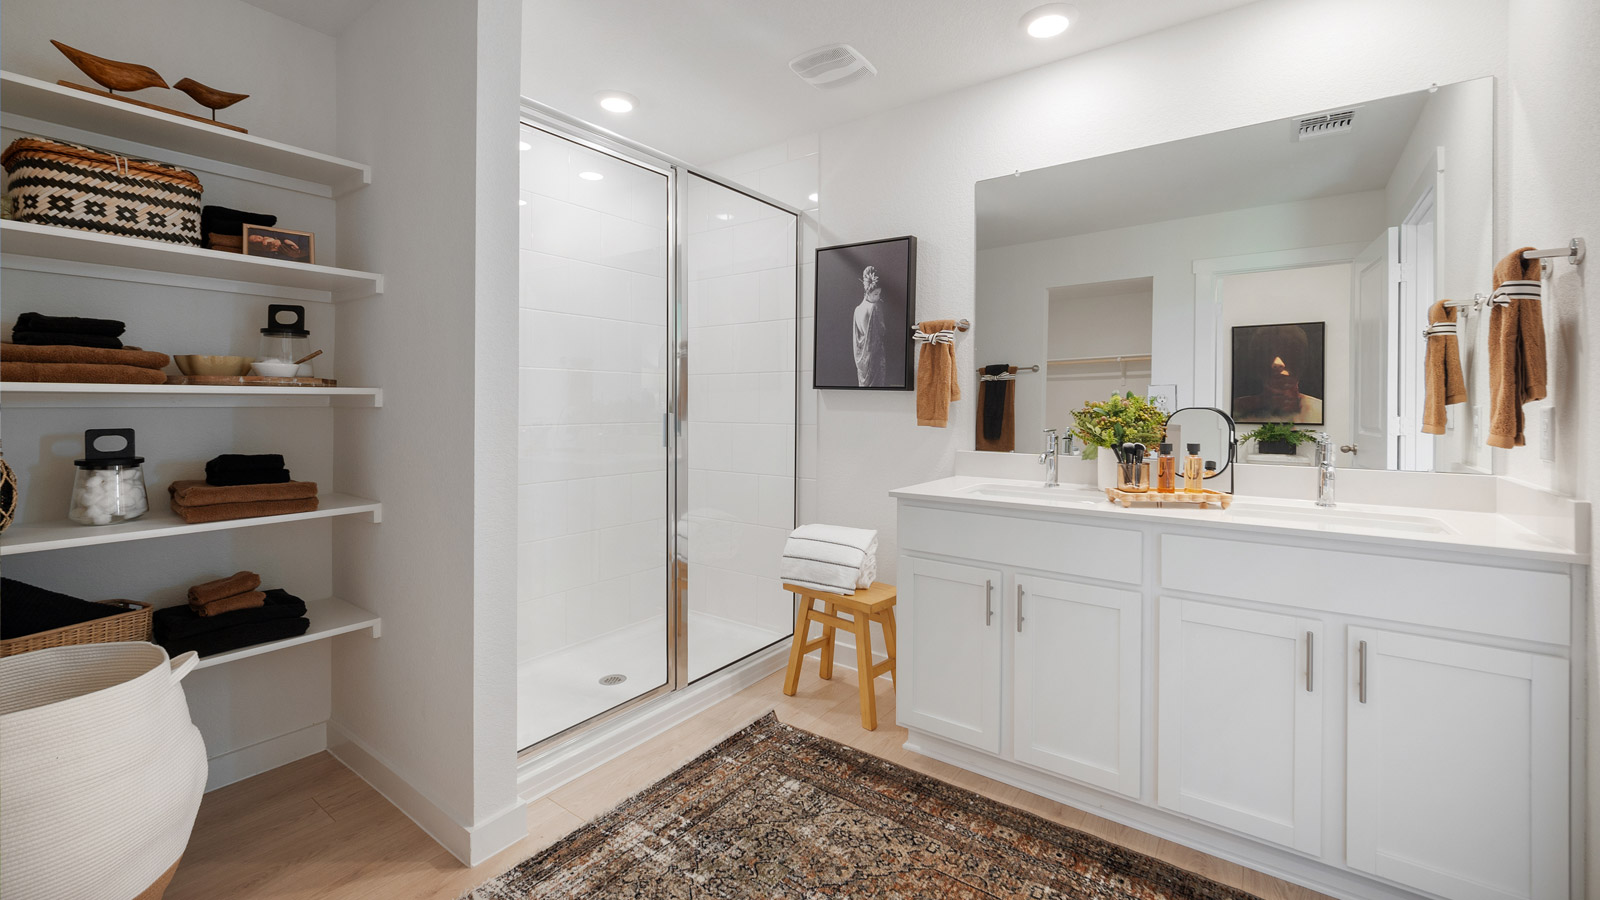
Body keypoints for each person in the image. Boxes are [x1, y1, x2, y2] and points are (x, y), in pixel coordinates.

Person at [1232, 323, 1323, 423]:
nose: (1278, 363)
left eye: (1288, 352)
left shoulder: (1318, 411)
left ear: (1303, 362)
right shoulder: (1237, 411)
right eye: (1268, 352)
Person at [851, 265, 890, 386]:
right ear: (867, 292)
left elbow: (858, 340)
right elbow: (881, 332)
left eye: (879, 294)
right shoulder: (873, 308)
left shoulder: (857, 310)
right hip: (874, 361)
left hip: (862, 364)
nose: (878, 298)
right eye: (876, 294)